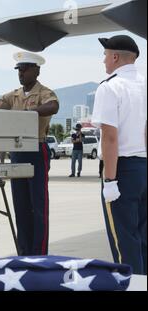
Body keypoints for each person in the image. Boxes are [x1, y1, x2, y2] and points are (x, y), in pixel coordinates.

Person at [0, 52, 59, 256]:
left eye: (25, 69)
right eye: (19, 69)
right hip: (17, 152)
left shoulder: (44, 92)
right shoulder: (14, 95)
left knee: (38, 206)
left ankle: (39, 253)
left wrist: (29, 113)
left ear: (36, 70)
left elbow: (53, 106)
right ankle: (24, 252)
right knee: (21, 206)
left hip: (36, 149)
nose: (21, 73)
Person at [92, 35, 147, 275]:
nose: (104, 60)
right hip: (144, 167)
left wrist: (111, 181)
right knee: (143, 237)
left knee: (124, 241)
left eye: (105, 55)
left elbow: (110, 138)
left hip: (122, 170)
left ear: (115, 57)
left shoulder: (110, 87)